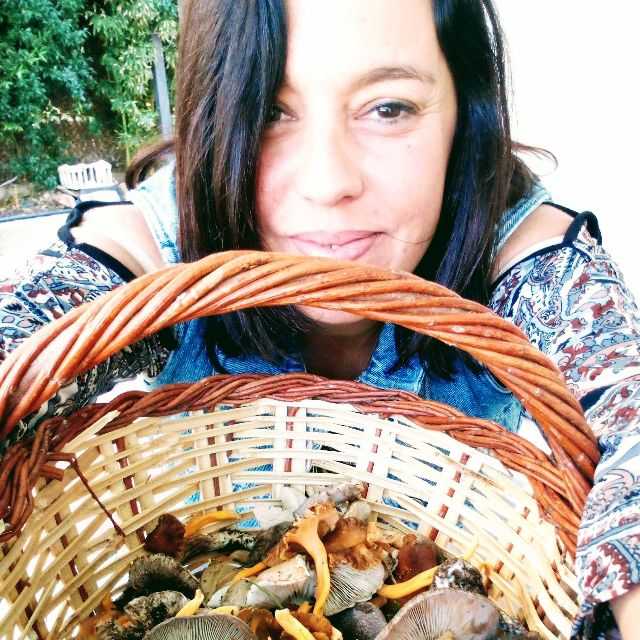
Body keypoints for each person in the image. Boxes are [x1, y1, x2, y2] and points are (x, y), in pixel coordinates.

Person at [1, 1, 638, 637]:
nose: (328, 182)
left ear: (465, 114)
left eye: (389, 107)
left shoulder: (524, 254)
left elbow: (623, 398)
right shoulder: (157, 242)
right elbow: (31, 336)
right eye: (268, 112)